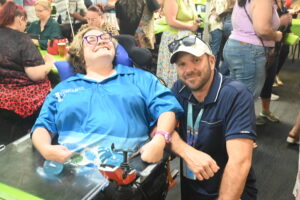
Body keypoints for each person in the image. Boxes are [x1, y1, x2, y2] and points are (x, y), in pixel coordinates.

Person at [31, 26, 183, 167]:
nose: (101, 41)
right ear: (79, 53)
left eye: (105, 38)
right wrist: (45, 149)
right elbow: (42, 126)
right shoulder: (63, 89)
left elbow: (167, 109)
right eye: (91, 40)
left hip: (128, 175)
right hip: (73, 175)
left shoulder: (141, 78)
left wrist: (160, 140)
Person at [170, 35, 257, 199]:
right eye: (182, 64)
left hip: (230, 191)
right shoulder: (180, 89)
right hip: (192, 188)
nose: (188, 70)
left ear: (211, 61)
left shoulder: (236, 95)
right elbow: (161, 129)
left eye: (196, 60)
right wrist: (187, 151)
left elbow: (239, 163)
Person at [0, 1, 54, 145]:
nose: (26, 25)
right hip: (20, 97)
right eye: (25, 21)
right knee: (52, 89)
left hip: (2, 92)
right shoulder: (22, 39)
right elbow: (35, 75)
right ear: (19, 19)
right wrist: (48, 63)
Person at [223, 0, 282, 99]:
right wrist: (277, 36)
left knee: (235, 96)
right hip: (249, 51)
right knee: (245, 99)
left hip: (237, 46)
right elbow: (263, 30)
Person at [156, 0, 200, 88]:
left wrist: (196, 22)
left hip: (187, 39)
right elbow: (171, 22)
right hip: (174, 39)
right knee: (172, 70)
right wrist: (190, 27)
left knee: (186, 68)